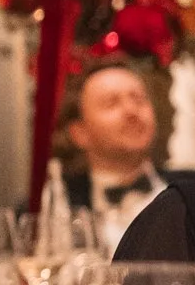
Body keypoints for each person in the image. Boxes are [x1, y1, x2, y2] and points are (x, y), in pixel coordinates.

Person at [60, 61, 167, 256]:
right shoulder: (54, 208)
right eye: (112, 103)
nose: (131, 111)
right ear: (79, 133)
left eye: (139, 100)